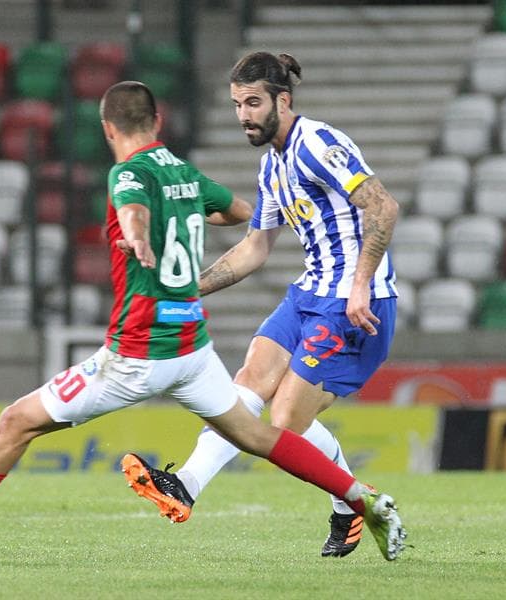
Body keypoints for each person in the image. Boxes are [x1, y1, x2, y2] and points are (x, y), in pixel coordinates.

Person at [0, 80, 406, 561]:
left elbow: (132, 204)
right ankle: (364, 501)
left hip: (138, 355)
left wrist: (139, 231)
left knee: (16, 421)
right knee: (259, 433)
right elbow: (239, 212)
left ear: (106, 127)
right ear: (158, 121)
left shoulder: (127, 174)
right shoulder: (184, 173)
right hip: (193, 351)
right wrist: (196, 215)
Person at [122, 52, 401, 559]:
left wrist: (361, 283)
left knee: (282, 421)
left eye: (253, 102)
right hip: (309, 292)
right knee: (247, 382)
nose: (244, 115)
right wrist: (185, 289)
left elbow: (382, 206)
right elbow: (255, 247)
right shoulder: (273, 164)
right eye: (236, 105)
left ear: (283, 100)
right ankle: (184, 485)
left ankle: (350, 506)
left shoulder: (319, 143)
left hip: (356, 302)